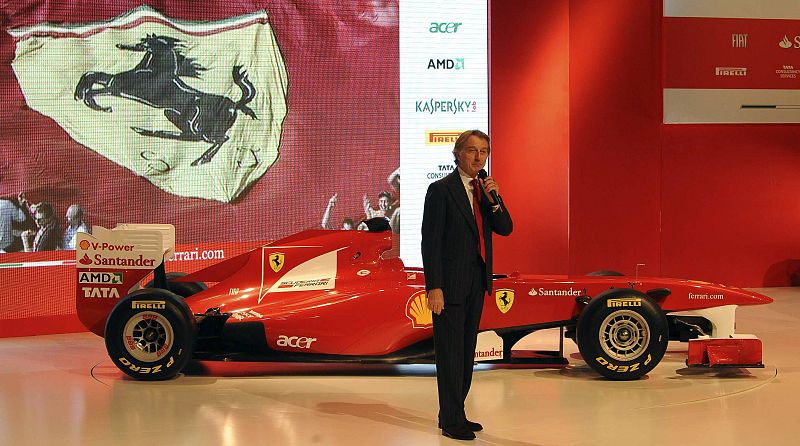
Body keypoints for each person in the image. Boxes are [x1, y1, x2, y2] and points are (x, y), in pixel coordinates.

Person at [421, 129, 513, 440]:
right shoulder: (441, 190)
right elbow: (430, 244)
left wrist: (495, 199)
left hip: (477, 282)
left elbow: (505, 229)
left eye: (484, 151)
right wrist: (434, 287)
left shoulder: (484, 192)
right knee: (449, 353)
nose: (478, 157)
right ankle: (451, 420)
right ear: (458, 154)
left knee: (466, 351)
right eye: (472, 151)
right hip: (448, 285)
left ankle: (454, 411)